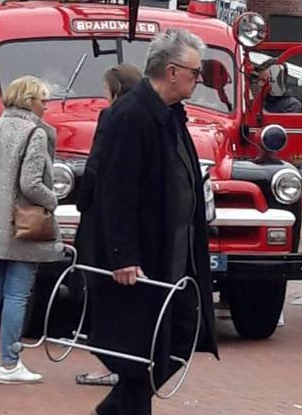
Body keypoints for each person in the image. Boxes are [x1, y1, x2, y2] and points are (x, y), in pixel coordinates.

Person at [88, 29, 218, 414]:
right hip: (145, 257)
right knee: (142, 351)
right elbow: (116, 190)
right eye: (196, 72)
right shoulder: (130, 116)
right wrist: (122, 254)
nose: (200, 79)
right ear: (173, 71)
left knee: (177, 339)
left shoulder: (171, 116)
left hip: (175, 254)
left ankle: (115, 409)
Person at [0, 75, 62, 383]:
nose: (46, 106)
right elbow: (30, 183)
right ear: (30, 100)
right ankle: (10, 363)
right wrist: (54, 198)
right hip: (20, 226)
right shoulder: (33, 132)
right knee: (17, 294)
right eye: (43, 100)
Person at [74, 64, 142, 387]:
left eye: (105, 89)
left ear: (115, 90)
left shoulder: (113, 117)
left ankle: (105, 364)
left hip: (102, 215)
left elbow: (97, 162)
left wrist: (82, 198)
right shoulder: (148, 115)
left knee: (99, 285)